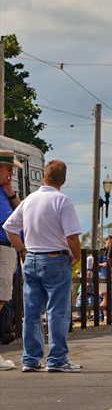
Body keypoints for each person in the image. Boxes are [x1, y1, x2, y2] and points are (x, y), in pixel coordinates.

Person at [3, 160, 83, 372]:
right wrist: (77, 255)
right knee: (57, 312)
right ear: (63, 180)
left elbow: (9, 228)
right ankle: (57, 360)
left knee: (31, 313)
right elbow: (72, 235)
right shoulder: (62, 201)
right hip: (55, 259)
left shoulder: (29, 200)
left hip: (31, 259)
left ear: (44, 176)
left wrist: (23, 249)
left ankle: (30, 359)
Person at [0, 151, 24, 371]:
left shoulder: (3, 194)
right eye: (9, 169)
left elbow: (22, 213)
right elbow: (14, 221)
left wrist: (11, 194)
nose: (10, 174)